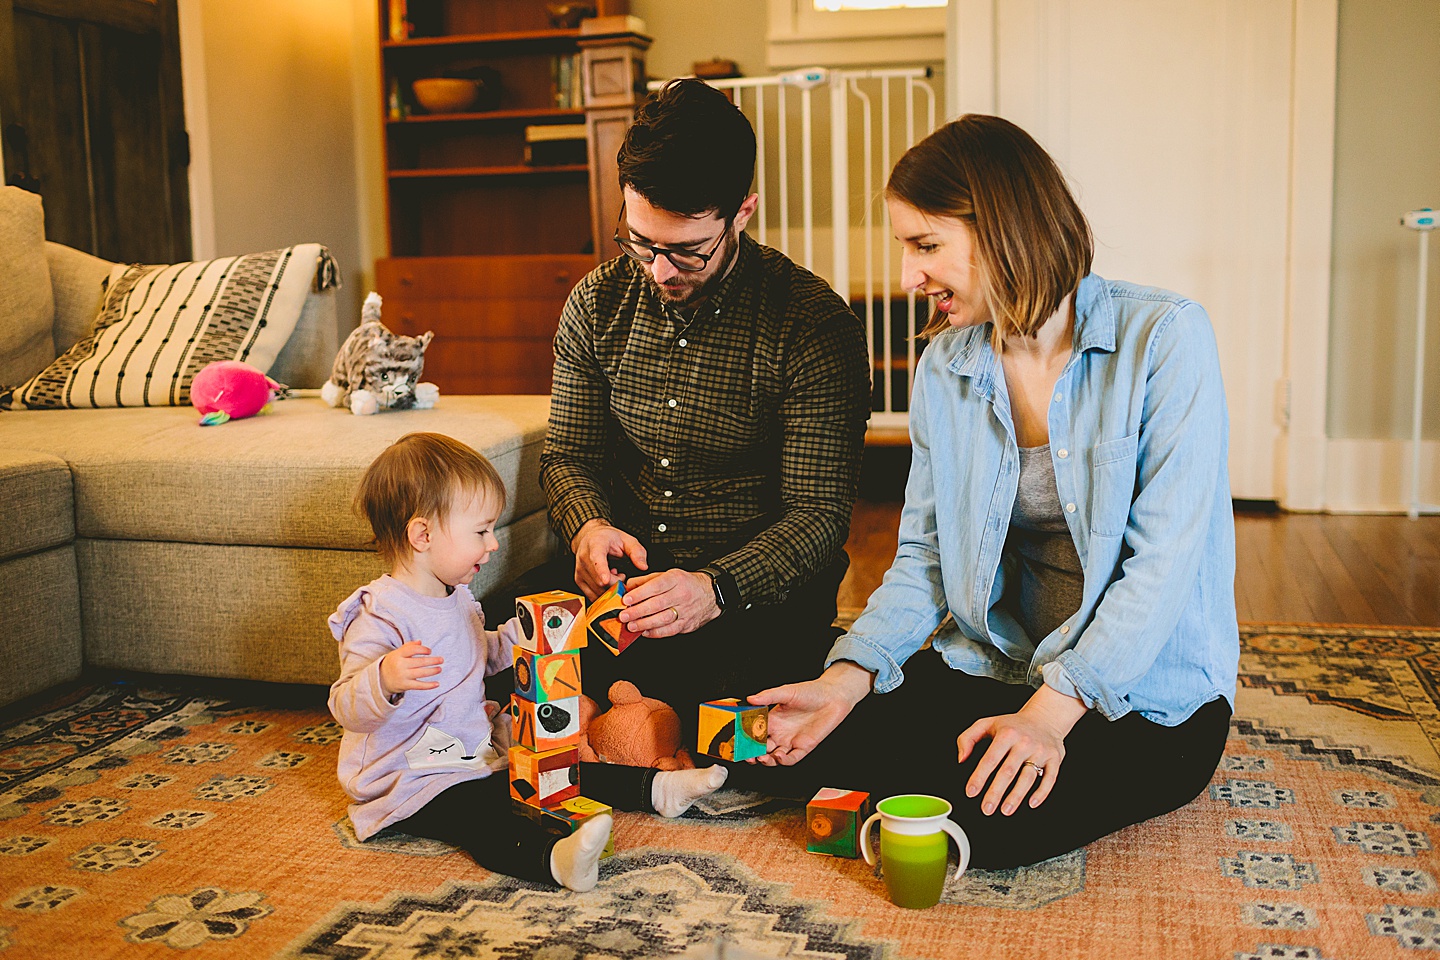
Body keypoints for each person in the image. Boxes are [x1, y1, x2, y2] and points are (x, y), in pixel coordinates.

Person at [747, 115, 1239, 869]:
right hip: (1001, 661)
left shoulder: (1167, 339)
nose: (909, 276)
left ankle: (1019, 756)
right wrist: (845, 681)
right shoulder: (948, 365)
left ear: (1003, 227)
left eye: (925, 245)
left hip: (1137, 691)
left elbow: (1163, 568)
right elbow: (925, 557)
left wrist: (1048, 717)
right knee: (808, 748)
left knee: (993, 822)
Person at [513, 78, 872, 736]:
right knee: (510, 661)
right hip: (627, 592)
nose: (659, 270)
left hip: (752, 595)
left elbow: (819, 517)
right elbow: (568, 455)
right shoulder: (595, 304)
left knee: (747, 736)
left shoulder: (815, 326)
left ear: (743, 211)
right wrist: (589, 529)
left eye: (687, 251)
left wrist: (715, 588)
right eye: (641, 242)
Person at [327, 432, 728, 892]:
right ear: (423, 535)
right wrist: (384, 677)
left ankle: (658, 790)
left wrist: (531, 633)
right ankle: (554, 861)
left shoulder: (455, 596)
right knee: (489, 809)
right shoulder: (378, 613)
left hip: (466, 753)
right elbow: (345, 706)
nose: (493, 544)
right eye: (481, 532)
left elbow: (484, 654)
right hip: (408, 776)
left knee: (554, 771)